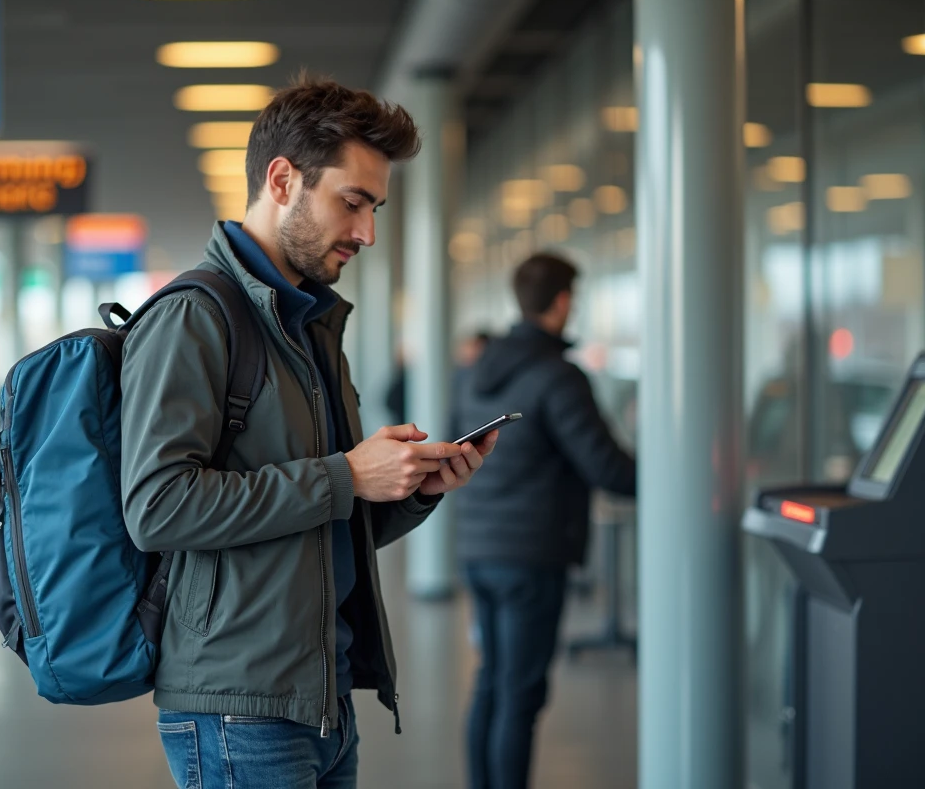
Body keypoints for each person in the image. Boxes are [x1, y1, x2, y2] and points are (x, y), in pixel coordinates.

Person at [120, 75, 498, 789]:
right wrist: (347, 475)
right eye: (352, 202)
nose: (367, 232)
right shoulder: (194, 317)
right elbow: (157, 506)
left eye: (375, 207)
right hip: (238, 706)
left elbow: (319, 528)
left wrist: (409, 489)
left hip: (318, 698)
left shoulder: (310, 326)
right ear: (283, 180)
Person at [453, 253, 636, 789]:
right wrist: (673, 479)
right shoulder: (558, 377)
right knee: (520, 693)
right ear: (562, 302)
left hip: (478, 548)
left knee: (491, 681)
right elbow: (607, 468)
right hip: (531, 557)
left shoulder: (474, 373)